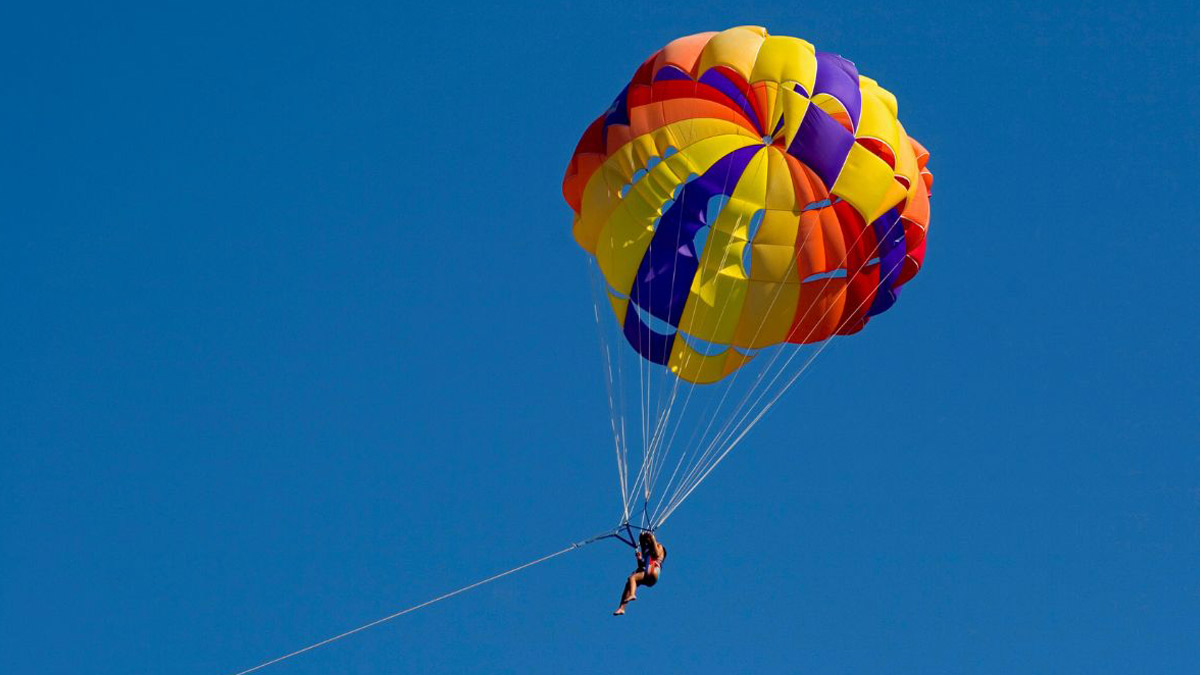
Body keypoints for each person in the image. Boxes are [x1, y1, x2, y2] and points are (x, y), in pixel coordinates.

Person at [613, 531, 666, 615]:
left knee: (632, 578)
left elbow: (656, 554)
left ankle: (633, 594)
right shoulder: (647, 552)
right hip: (648, 576)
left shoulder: (659, 547)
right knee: (628, 584)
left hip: (653, 571)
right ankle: (622, 608)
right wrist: (639, 558)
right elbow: (642, 565)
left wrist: (652, 538)